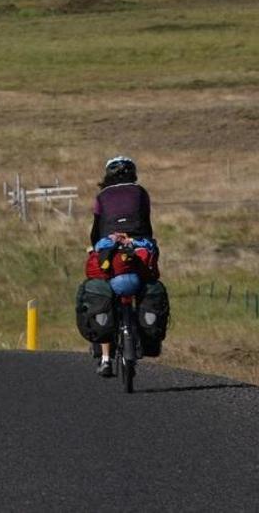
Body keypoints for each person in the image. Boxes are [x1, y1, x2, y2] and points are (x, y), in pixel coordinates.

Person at [89, 156, 156, 377]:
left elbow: (96, 229)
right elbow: (147, 223)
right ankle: (146, 335)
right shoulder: (140, 193)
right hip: (138, 244)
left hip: (109, 245)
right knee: (148, 279)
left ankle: (106, 358)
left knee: (105, 292)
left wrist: (97, 248)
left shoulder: (102, 196)